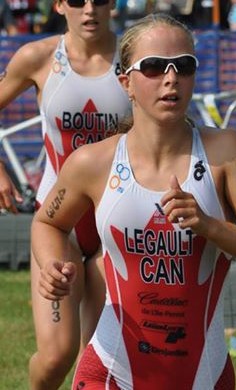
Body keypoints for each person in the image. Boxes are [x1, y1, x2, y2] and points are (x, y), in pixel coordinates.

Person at [31, 12, 236, 389]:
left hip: (203, 373)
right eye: (153, 67)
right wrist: (52, 264)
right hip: (110, 369)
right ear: (127, 82)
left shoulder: (226, 153)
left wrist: (210, 225)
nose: (171, 79)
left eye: (183, 66)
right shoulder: (93, 161)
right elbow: (48, 222)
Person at [0, 0, 131, 388]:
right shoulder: (38, 57)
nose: (89, 9)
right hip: (58, 222)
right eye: (77, 0)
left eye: (101, 0)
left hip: (116, 222)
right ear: (59, 5)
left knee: (100, 364)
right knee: (57, 355)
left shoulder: (137, 61)